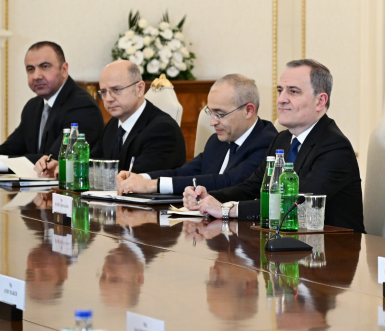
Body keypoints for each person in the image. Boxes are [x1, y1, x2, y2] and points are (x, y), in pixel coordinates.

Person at [185, 59, 364, 233]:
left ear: (320, 101)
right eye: (280, 90)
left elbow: (295, 204)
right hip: (288, 241)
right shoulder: (282, 139)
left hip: (332, 246)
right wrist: (209, 197)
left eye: (293, 91)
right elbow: (251, 188)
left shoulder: (334, 146)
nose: (281, 99)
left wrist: (226, 210)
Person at [115, 74, 277, 195]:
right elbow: (182, 172)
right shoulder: (217, 140)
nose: (212, 122)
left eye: (220, 114)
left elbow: (228, 182)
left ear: (248, 110)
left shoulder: (267, 142)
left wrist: (153, 185)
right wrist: (140, 178)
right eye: (210, 113)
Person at [1, 41, 103, 166]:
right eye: (30, 69)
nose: (36, 76)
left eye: (45, 66)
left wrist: (6, 163)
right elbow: (10, 148)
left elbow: (54, 160)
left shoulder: (82, 106)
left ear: (64, 70)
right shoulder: (32, 106)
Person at [89, 60, 186, 174]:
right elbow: (91, 166)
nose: (108, 99)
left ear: (139, 89)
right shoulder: (113, 124)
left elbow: (138, 179)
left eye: (116, 90)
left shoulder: (163, 130)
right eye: (104, 92)